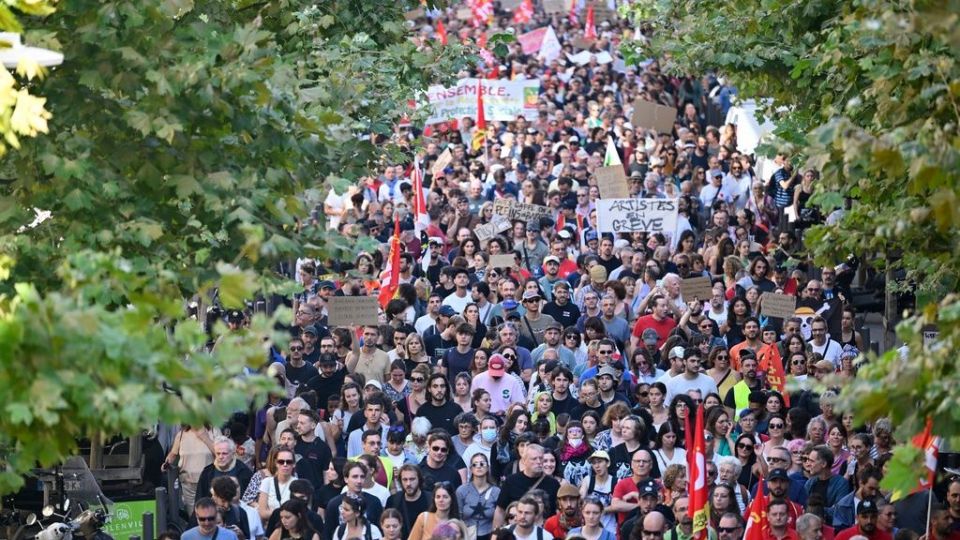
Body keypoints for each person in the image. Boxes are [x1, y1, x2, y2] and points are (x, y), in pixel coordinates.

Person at [494, 444, 561, 528]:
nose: (539, 462)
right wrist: (495, 534)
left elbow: (558, 512)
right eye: (534, 459)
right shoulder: (511, 481)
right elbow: (500, 510)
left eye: (541, 458)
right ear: (524, 461)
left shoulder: (553, 484)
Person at [457, 453, 500, 540]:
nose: (479, 466)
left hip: (490, 535)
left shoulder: (496, 492)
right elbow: (457, 516)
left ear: (488, 467)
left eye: (482, 464)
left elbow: (500, 518)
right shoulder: (462, 490)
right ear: (471, 469)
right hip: (467, 535)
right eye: (475, 464)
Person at [386, 464, 432, 538]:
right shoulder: (393, 501)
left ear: (419, 479)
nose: (408, 484)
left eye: (412, 479)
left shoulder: (431, 499)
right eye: (405, 479)